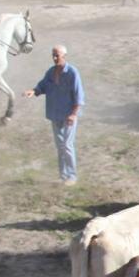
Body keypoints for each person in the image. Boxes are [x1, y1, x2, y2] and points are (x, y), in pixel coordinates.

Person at [23, 45, 84, 185]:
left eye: (58, 55)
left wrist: (74, 114)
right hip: (54, 113)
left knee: (67, 145)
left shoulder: (72, 73)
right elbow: (43, 86)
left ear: (64, 56)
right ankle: (63, 176)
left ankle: (72, 176)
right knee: (60, 146)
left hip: (68, 115)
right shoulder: (51, 72)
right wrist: (33, 91)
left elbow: (79, 95)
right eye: (53, 55)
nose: (55, 58)